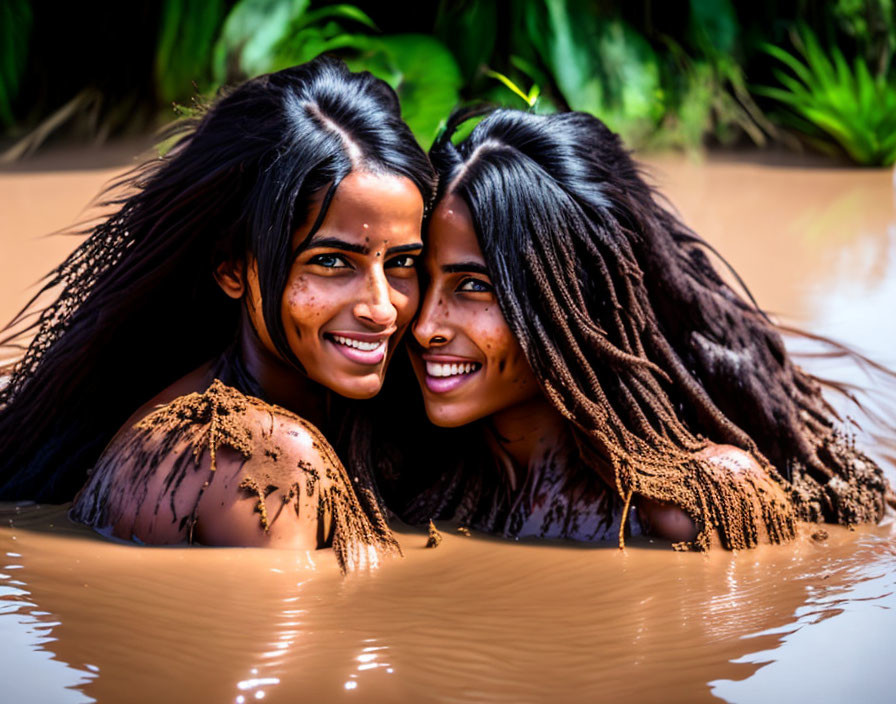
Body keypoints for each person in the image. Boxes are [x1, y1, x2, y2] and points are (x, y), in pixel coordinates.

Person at [0, 57, 435, 570]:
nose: (382, 307)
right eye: (332, 262)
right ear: (231, 270)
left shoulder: (353, 414)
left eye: (403, 261)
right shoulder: (263, 461)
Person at [393, 107, 890, 551]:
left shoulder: (696, 505)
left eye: (474, 286)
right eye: (418, 273)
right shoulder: (406, 472)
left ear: (575, 299)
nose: (424, 326)